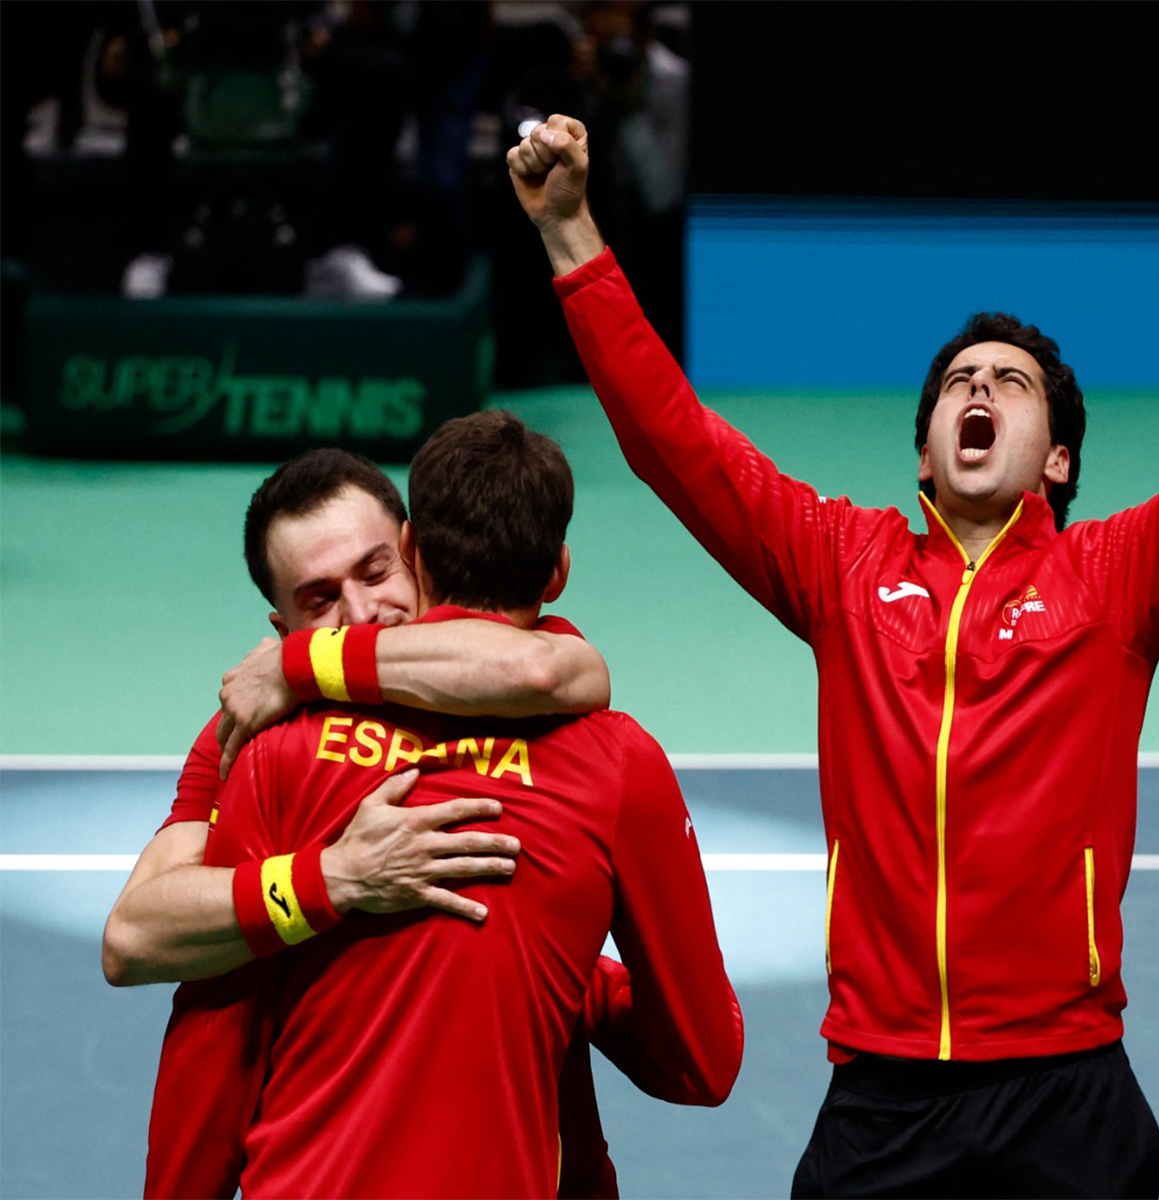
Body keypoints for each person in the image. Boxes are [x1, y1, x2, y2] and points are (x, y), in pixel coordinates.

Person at [508, 115, 1159, 1196]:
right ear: (925, 450)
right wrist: (571, 232)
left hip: (1064, 1088)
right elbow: (674, 439)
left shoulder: (1117, 579)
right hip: (883, 1088)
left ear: (1057, 460)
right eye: (960, 380)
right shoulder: (842, 567)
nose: (979, 390)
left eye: (1011, 382)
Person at [156, 410, 741, 1197]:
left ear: (412, 552)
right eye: (321, 597)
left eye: (372, 574)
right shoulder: (617, 764)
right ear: (558, 571)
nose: (359, 614)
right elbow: (701, 1063)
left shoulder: (276, 747)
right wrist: (571, 975)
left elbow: (215, 1029)